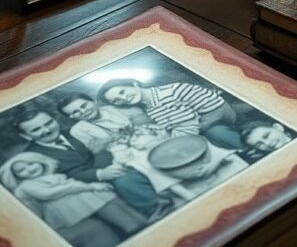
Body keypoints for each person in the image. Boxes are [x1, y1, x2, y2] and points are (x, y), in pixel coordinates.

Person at [12, 105, 160, 226]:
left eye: (49, 123)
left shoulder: (74, 132)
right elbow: (58, 178)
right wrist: (99, 174)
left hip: (111, 163)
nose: (46, 130)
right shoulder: (31, 156)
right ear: (25, 135)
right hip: (82, 187)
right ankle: (155, 210)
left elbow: (99, 149)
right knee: (124, 180)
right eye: (36, 129)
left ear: (55, 119)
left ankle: (164, 196)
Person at [0, 151, 124, 247]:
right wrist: (89, 186)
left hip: (75, 213)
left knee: (110, 215)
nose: (29, 169)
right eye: (21, 170)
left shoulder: (50, 176)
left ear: (39, 161)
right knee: (97, 230)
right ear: (16, 176)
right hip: (56, 222)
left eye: (31, 164)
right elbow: (50, 193)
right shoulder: (25, 187)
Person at [97, 78, 242, 149]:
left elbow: (188, 126)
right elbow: (176, 125)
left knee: (213, 135)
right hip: (202, 121)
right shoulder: (150, 107)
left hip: (219, 115)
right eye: (116, 100)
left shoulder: (166, 94)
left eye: (122, 91)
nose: (123, 98)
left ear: (134, 84)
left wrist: (168, 144)